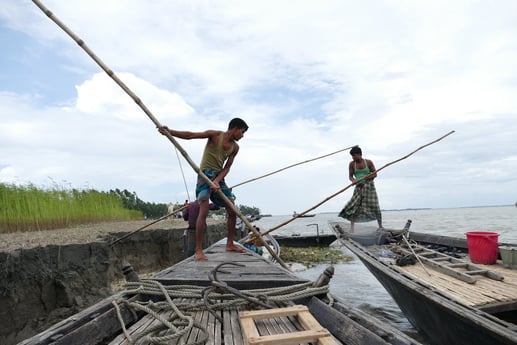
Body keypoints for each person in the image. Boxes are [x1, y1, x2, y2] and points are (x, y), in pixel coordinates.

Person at [159, 118, 249, 260]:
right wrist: (169, 132)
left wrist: (217, 181)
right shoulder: (215, 135)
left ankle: (230, 243)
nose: (242, 135)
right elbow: (191, 135)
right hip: (204, 176)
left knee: (232, 209)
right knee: (204, 209)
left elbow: (227, 167)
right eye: (242, 132)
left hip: (218, 178)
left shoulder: (235, 148)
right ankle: (199, 250)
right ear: (235, 128)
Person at [338, 146, 383, 231]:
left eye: (354, 155)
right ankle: (352, 228)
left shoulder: (368, 162)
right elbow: (350, 176)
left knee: (375, 206)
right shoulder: (352, 164)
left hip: (369, 187)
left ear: (359, 154)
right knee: (354, 206)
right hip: (359, 187)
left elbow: (375, 174)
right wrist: (353, 180)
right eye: (352, 156)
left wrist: (367, 177)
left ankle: (380, 226)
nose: (353, 157)